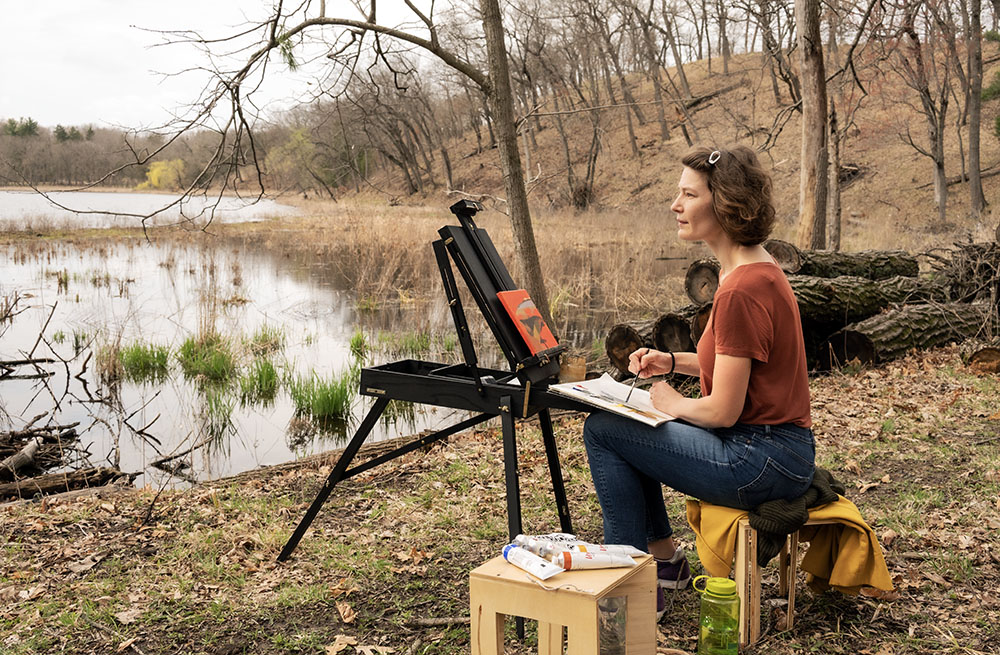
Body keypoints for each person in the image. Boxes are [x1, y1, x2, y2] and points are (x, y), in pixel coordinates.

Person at [583, 145, 815, 619]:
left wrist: (667, 403)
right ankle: (663, 565)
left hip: (761, 459)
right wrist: (670, 362)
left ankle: (632, 596)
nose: (676, 205)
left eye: (688, 194)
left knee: (604, 430)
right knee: (625, 426)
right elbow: (733, 362)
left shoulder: (741, 290)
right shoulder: (753, 269)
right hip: (781, 451)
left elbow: (722, 410)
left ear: (724, 203)